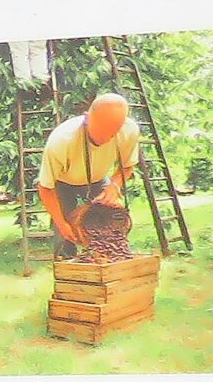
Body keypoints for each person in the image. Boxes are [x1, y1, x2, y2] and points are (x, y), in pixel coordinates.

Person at [38, 92, 141, 259]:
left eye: (113, 133)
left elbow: (127, 166)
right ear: (87, 118)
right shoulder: (62, 140)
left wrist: (114, 186)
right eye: (101, 132)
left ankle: (111, 265)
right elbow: (45, 187)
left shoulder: (130, 130)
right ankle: (68, 270)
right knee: (65, 237)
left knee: (112, 223)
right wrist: (62, 224)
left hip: (98, 179)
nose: (106, 139)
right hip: (62, 182)